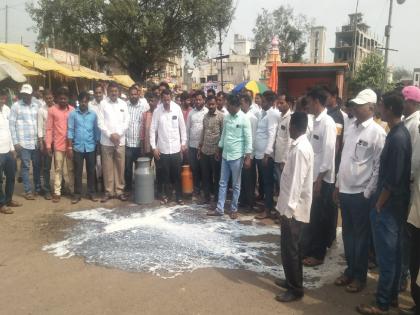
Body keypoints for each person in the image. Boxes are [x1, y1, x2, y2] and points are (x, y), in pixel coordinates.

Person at [357, 92, 412, 315]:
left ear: (388, 108)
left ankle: (381, 304)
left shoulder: (398, 137)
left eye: (380, 105)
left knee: (387, 257)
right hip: (392, 205)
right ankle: (391, 299)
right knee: (394, 255)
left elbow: (394, 177)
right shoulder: (397, 132)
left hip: (389, 206)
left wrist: (379, 203)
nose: (378, 108)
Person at [334, 89, 386, 294]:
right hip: (345, 190)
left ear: (371, 108)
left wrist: (368, 192)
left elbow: (378, 167)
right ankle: (350, 270)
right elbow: (345, 159)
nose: (354, 107)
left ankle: (359, 276)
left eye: (359, 105)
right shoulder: (351, 128)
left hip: (360, 194)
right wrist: (338, 185)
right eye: (354, 104)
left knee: (361, 237)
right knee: (348, 234)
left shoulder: (377, 132)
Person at [274, 112, 314, 303]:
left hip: (294, 210)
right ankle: (292, 280)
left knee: (291, 249)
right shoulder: (298, 145)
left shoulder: (300, 149)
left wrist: (288, 211)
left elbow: (297, 183)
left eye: (290, 126)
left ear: (296, 127)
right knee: (290, 248)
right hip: (290, 206)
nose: (288, 128)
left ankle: (295, 289)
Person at [302, 87, 337, 267]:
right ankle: (309, 248)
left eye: (309, 101)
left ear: (316, 101)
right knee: (312, 216)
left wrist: (319, 181)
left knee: (319, 218)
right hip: (313, 177)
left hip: (322, 180)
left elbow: (329, 154)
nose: (307, 105)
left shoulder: (328, 123)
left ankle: (318, 254)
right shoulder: (315, 121)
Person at [207, 94, 252, 220]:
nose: (226, 107)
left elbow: (248, 138)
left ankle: (234, 209)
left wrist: (248, 157)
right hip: (225, 155)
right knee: (222, 182)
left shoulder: (244, 118)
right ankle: (220, 209)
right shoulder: (227, 117)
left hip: (237, 156)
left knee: (236, 184)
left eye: (228, 105)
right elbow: (224, 135)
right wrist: (219, 149)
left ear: (234, 106)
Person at [400, 86, 420, 315]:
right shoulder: (411, 122)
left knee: (411, 244)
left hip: (413, 191)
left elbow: (414, 163)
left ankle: (405, 279)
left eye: (404, 100)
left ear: (412, 102)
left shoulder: (415, 125)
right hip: (413, 192)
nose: (402, 104)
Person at [150, 89, 187, 205]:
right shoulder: (157, 111)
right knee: (164, 175)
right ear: (161, 99)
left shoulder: (177, 109)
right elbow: (152, 130)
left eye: (168, 99)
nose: (167, 102)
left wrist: (183, 143)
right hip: (163, 149)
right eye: (164, 100)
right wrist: (153, 147)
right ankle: (165, 195)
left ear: (171, 98)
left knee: (177, 175)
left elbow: (182, 127)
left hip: (176, 148)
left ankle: (179, 196)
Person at [98, 82, 129, 202]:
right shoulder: (103, 104)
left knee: (120, 167)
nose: (114, 93)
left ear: (119, 92)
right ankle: (108, 191)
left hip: (120, 141)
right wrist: (110, 135)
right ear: (108, 91)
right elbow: (100, 122)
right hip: (107, 141)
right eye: (112, 91)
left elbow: (126, 122)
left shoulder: (123, 104)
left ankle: (119, 191)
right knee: (107, 167)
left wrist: (118, 134)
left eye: (116, 91)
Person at [9, 84, 41, 200]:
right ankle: (28, 191)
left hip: (36, 142)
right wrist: (15, 142)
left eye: (28, 94)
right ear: (22, 94)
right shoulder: (15, 106)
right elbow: (11, 125)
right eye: (24, 94)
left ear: (31, 94)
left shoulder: (36, 105)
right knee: (26, 167)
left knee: (37, 166)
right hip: (23, 143)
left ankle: (38, 188)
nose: (26, 96)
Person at [67, 91, 100, 204]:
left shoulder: (93, 114)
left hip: (91, 147)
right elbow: (70, 130)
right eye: (82, 101)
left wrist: (97, 146)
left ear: (88, 102)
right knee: (78, 172)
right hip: (78, 148)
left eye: (86, 101)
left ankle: (91, 192)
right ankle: (77, 194)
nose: (84, 103)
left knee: (91, 171)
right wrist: (70, 148)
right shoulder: (73, 114)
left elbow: (96, 131)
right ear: (79, 102)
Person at [45, 87, 74, 203]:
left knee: (71, 169)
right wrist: (48, 145)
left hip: (70, 145)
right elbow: (49, 129)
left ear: (68, 99)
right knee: (58, 169)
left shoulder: (72, 110)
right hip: (58, 145)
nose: (63, 100)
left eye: (65, 98)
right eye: (61, 98)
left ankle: (72, 190)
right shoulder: (52, 110)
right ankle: (57, 192)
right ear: (57, 99)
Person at [254, 90, 280, 220]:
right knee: (263, 182)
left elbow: (272, 134)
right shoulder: (262, 113)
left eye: (263, 101)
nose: (261, 103)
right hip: (258, 153)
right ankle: (265, 205)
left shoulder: (272, 114)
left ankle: (268, 209)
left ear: (270, 102)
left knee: (268, 183)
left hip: (266, 155)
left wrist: (267, 154)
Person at [198, 95, 224, 204]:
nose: (211, 106)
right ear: (207, 105)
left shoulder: (221, 117)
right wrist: (200, 147)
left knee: (217, 177)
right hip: (205, 151)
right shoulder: (205, 117)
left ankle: (217, 198)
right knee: (206, 176)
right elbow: (203, 132)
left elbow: (223, 134)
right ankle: (206, 197)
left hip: (216, 152)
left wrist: (220, 149)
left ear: (216, 104)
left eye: (213, 104)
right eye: (210, 104)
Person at [124, 85, 149, 193]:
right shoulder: (124, 106)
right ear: (129, 95)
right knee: (128, 169)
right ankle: (129, 188)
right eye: (131, 94)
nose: (133, 96)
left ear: (139, 94)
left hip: (139, 144)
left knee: (140, 168)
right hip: (128, 143)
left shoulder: (144, 107)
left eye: (135, 94)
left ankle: (140, 188)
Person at [186, 90, 208, 197]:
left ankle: (205, 189)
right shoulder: (191, 113)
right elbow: (187, 129)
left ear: (204, 100)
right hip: (192, 146)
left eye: (200, 99)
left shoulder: (207, 112)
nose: (198, 101)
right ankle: (196, 188)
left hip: (204, 147)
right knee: (194, 168)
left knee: (204, 169)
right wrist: (186, 145)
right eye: (196, 100)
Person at [270, 93, 292, 191]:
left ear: (289, 104)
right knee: (278, 183)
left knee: (284, 185)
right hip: (277, 157)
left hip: (283, 160)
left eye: (282, 103)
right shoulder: (279, 117)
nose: (279, 105)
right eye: (278, 103)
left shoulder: (290, 118)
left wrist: (284, 160)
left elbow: (290, 140)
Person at [238, 94, 257, 211]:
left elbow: (252, 137)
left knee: (249, 180)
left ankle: (250, 203)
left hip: (248, 154)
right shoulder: (241, 116)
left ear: (248, 104)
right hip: (240, 152)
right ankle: (243, 200)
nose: (240, 105)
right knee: (243, 179)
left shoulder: (252, 118)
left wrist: (248, 155)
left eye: (242, 103)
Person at [0, 89, 17, 214]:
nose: (2, 101)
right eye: (0, 98)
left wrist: (12, 148)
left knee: (11, 176)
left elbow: (10, 130)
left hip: (9, 150)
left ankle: (9, 199)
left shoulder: (7, 109)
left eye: (4, 98)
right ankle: (1, 204)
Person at [37, 89, 54, 200]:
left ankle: (60, 188)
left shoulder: (57, 107)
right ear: (44, 99)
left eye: (51, 98)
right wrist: (41, 142)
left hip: (57, 140)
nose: (49, 100)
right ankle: (47, 190)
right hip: (46, 141)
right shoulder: (41, 110)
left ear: (53, 97)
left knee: (58, 165)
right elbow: (39, 126)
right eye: (47, 98)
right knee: (46, 167)